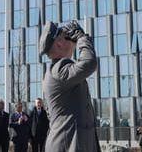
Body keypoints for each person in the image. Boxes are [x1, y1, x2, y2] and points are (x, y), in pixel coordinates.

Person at [39, 22, 98, 152]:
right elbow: (89, 63)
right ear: (59, 43)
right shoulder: (59, 70)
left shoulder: (54, 72)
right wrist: (82, 38)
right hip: (68, 145)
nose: (74, 40)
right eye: (68, 36)